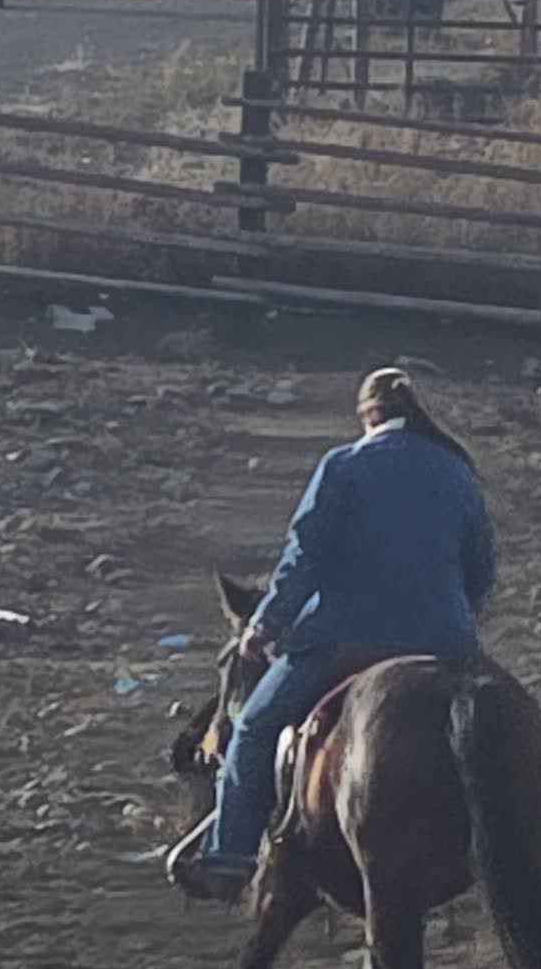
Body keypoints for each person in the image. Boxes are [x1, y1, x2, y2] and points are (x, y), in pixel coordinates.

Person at [166, 363, 498, 901]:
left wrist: (265, 626)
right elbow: (481, 569)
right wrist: (453, 620)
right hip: (446, 642)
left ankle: (229, 857)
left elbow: (305, 557)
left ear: (368, 415)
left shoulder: (343, 465)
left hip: (346, 638)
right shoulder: (457, 472)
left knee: (253, 728)